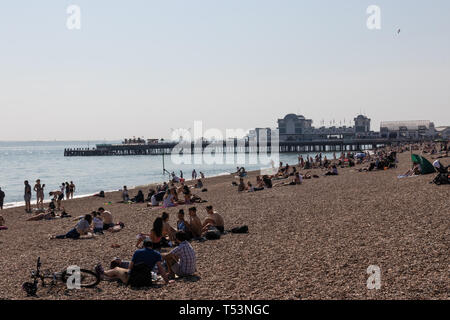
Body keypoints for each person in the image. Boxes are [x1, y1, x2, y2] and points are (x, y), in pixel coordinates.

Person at [102, 238, 171, 285]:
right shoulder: (156, 254)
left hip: (134, 279)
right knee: (119, 275)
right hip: (147, 279)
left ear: (143, 245)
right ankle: (107, 276)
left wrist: (127, 272)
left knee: (116, 269)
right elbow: (160, 269)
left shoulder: (138, 252)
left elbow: (130, 266)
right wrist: (167, 281)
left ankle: (103, 272)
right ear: (152, 246)